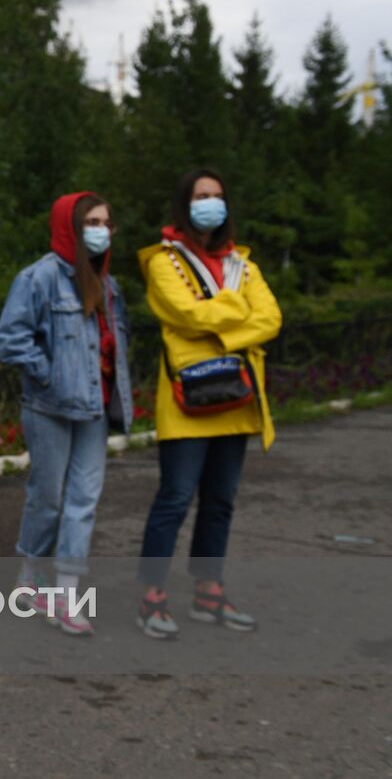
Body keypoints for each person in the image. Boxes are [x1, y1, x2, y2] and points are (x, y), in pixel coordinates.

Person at [135, 169, 281, 639]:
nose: (210, 203)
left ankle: (207, 591)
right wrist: (238, 313)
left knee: (220, 501)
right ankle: (151, 595)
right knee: (174, 498)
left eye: (217, 196)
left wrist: (214, 326)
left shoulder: (245, 264)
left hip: (236, 397)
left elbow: (272, 317)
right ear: (185, 203)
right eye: (201, 196)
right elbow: (183, 313)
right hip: (187, 398)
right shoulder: (163, 262)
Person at [0, 192, 133, 637]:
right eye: (91, 221)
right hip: (49, 408)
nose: (100, 231)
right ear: (68, 226)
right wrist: (49, 373)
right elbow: (8, 340)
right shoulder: (39, 278)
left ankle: (68, 593)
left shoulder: (108, 286)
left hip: (93, 408)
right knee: (49, 498)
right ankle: (30, 576)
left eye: (106, 223)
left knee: (83, 502)